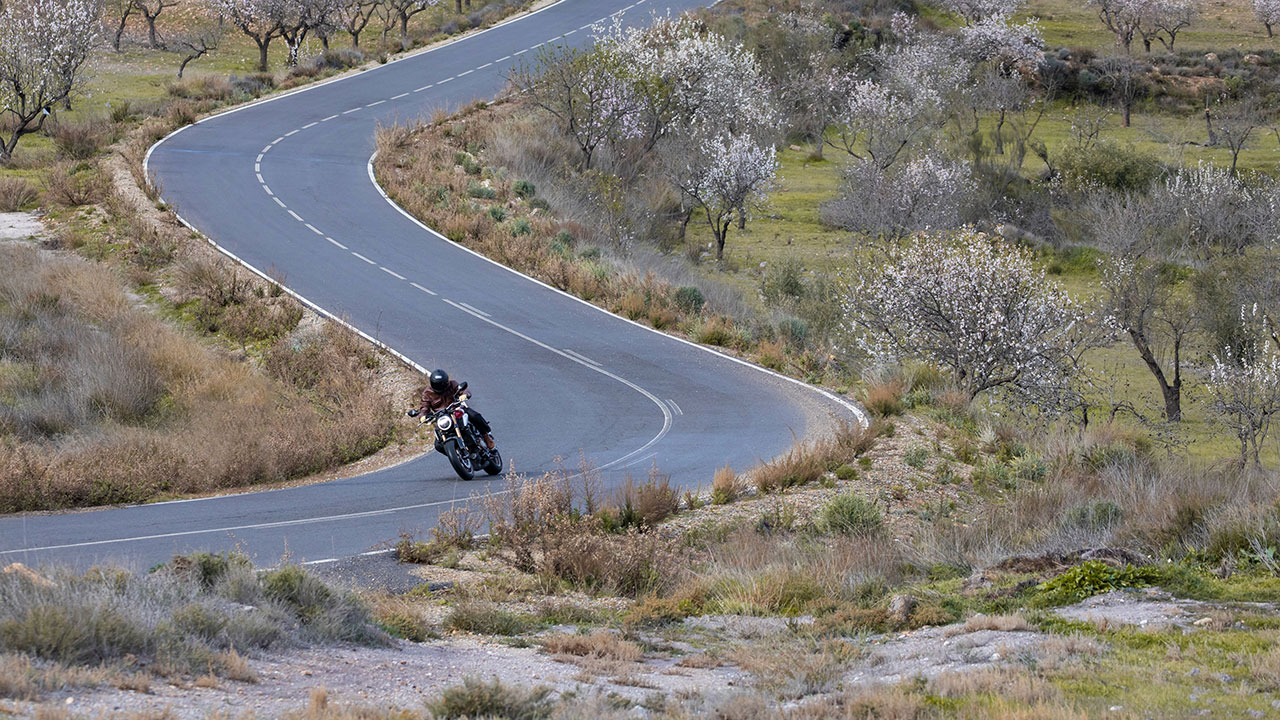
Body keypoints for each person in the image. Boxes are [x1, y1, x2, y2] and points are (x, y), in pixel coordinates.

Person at [419, 368, 495, 450]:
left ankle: (487, 438)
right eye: (437, 384)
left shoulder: (452, 384)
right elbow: (424, 407)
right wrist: (423, 416)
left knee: (475, 416)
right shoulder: (427, 393)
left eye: (442, 384)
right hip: (442, 417)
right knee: (438, 445)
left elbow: (463, 390)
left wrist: (465, 394)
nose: (440, 386)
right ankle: (455, 453)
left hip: (457, 410)